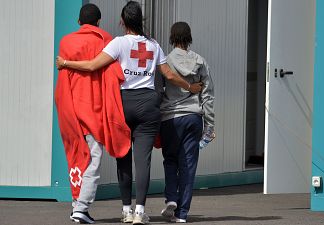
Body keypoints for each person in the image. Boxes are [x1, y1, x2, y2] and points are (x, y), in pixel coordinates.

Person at [56, 1, 202, 224]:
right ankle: (140, 212)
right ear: (140, 20)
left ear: (122, 22)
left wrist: (66, 63)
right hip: (148, 105)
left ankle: (126, 210)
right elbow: (169, 75)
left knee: (123, 157)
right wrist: (190, 87)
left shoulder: (118, 43)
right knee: (143, 161)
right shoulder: (153, 45)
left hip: (123, 105)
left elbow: (93, 65)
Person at [55, 3, 131, 224]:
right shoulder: (106, 40)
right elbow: (116, 74)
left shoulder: (66, 42)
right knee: (93, 160)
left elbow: (63, 78)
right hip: (94, 111)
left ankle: (76, 204)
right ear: (98, 22)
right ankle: (81, 208)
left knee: (77, 156)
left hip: (71, 108)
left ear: (79, 21)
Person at [159, 21, 215, 223]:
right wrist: (209, 125)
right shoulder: (200, 61)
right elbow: (208, 95)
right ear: (189, 38)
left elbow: (158, 90)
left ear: (172, 38)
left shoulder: (165, 61)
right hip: (193, 117)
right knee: (188, 165)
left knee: (170, 160)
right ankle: (182, 214)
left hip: (171, 118)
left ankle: (171, 198)